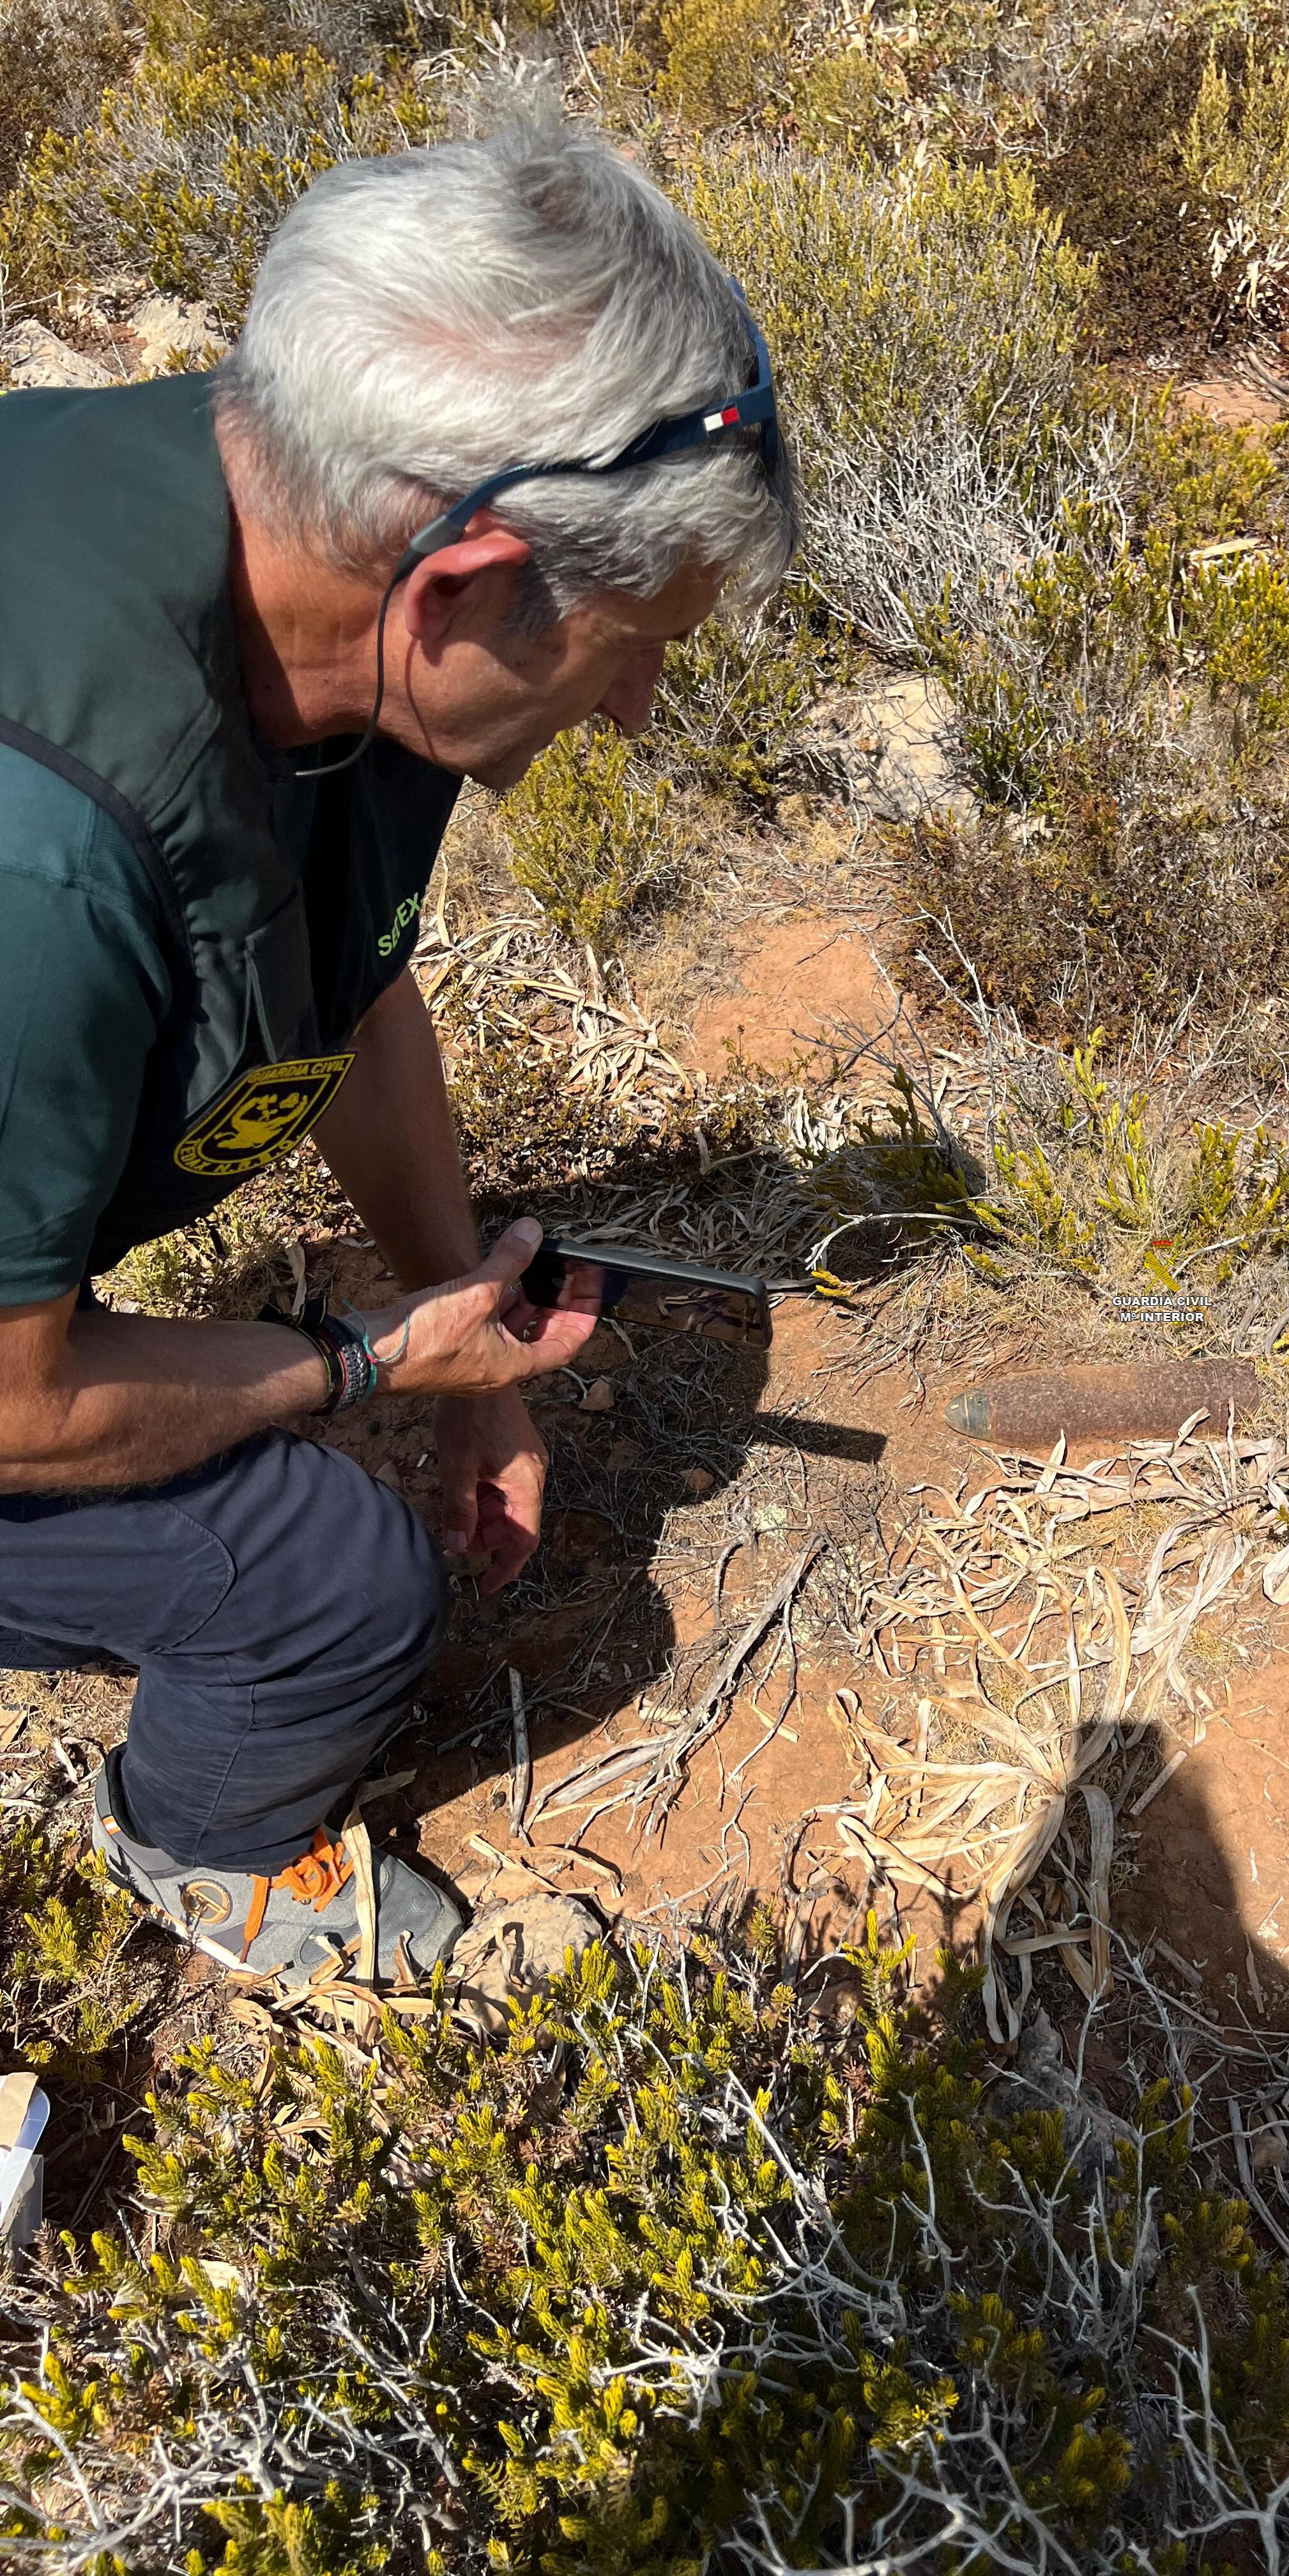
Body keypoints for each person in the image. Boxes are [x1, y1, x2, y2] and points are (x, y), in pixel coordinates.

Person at [0, 119, 797, 1988]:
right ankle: (198, 1854)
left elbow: (348, 994)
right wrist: (357, 1360)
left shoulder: (306, 537)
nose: (634, 706)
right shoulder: (38, 855)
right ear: (457, 590)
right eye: (626, 647)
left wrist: (469, 1342)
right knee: (325, 1585)